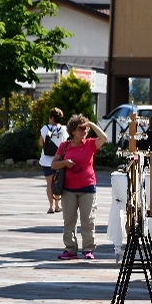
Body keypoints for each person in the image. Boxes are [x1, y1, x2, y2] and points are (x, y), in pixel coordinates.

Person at [51, 114, 107, 260]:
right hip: (68, 189)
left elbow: (104, 138)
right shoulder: (64, 146)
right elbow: (53, 164)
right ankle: (70, 249)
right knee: (69, 220)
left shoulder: (90, 144)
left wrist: (92, 124)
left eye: (85, 128)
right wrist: (65, 163)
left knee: (88, 220)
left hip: (87, 187)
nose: (84, 131)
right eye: (80, 128)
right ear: (72, 131)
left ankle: (88, 249)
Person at [39, 107, 66, 213]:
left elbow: (41, 143)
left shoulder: (45, 129)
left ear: (51, 118)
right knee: (58, 182)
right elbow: (65, 143)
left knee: (49, 183)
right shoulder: (63, 129)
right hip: (58, 160)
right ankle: (57, 205)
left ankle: (51, 207)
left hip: (46, 160)